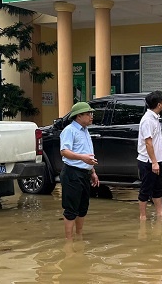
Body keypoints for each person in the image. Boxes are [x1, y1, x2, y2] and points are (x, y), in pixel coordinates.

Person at [59, 101, 100, 240]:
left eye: (91, 113)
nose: (91, 116)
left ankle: (79, 237)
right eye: (88, 114)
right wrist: (82, 158)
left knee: (83, 207)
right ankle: (69, 241)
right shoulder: (69, 130)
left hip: (84, 173)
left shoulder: (85, 130)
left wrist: (92, 171)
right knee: (71, 209)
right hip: (72, 173)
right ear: (79, 116)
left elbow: (87, 153)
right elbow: (64, 151)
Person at [137, 90, 162, 220]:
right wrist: (154, 162)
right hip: (148, 161)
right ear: (159, 104)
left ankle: (160, 213)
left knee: (158, 188)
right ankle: (143, 217)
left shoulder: (155, 117)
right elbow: (148, 143)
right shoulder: (147, 120)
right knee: (145, 189)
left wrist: (157, 161)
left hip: (156, 160)